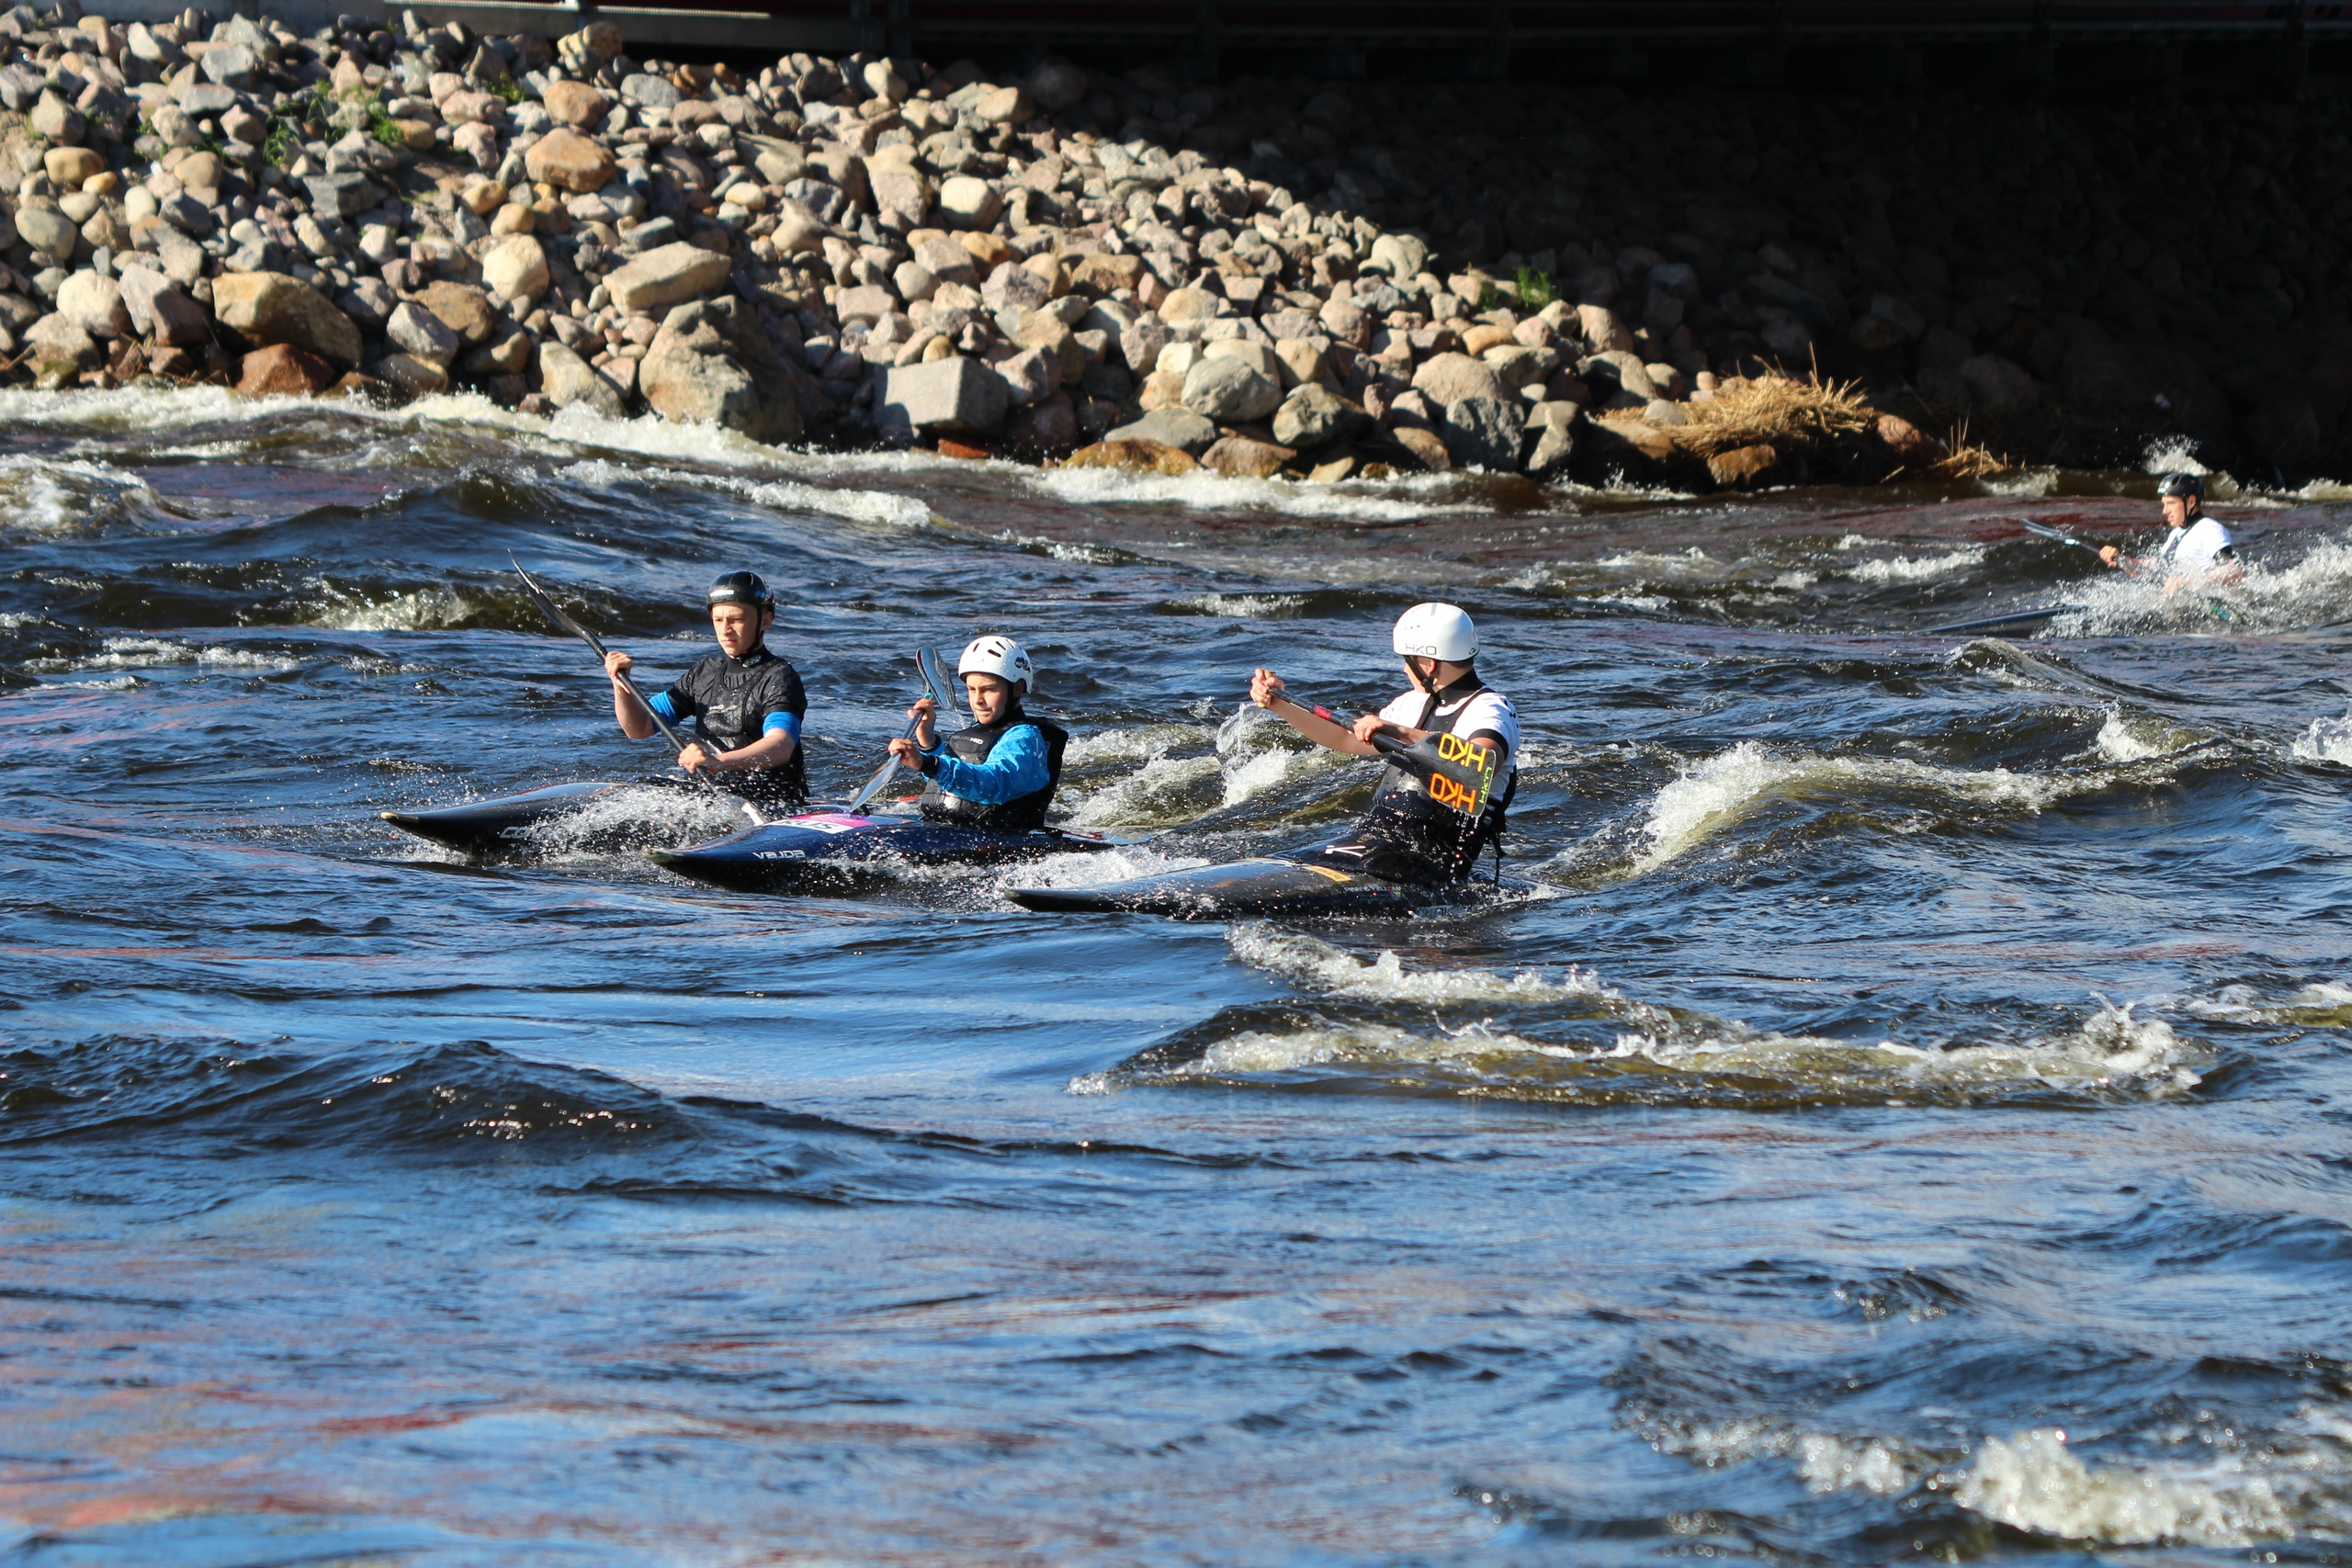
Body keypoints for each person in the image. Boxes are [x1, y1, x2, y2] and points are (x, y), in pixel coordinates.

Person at [1249, 602, 1520, 885]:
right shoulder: (1410, 703)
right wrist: (1280, 705)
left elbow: (1481, 762)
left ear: (1429, 665)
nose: (1404, 668)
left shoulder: (1490, 709)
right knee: (1282, 863)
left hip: (1431, 863)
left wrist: (1401, 732)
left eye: (1407, 660)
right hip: (1377, 841)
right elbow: (1343, 738)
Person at [603, 570, 807, 805]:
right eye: (718, 620)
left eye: (737, 619)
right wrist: (620, 685)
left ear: (766, 620)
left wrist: (718, 761)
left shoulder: (779, 677)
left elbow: (780, 745)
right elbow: (639, 728)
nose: (725, 629)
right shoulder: (704, 673)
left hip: (768, 803)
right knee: (615, 796)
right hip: (709, 797)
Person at [886, 635, 1069, 830]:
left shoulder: (1024, 739)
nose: (978, 700)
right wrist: (927, 740)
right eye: (972, 690)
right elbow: (944, 778)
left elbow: (990, 783)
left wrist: (927, 763)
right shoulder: (975, 732)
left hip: (1003, 838)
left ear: (1017, 689)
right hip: (951, 829)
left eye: (988, 690)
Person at [2099, 473, 2243, 592]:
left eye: (2171, 503)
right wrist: (2121, 560)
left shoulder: (2210, 529)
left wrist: (2188, 582)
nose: (2165, 510)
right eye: (2164, 504)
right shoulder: (2177, 533)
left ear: (2191, 501)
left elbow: (2234, 571)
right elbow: (2151, 571)